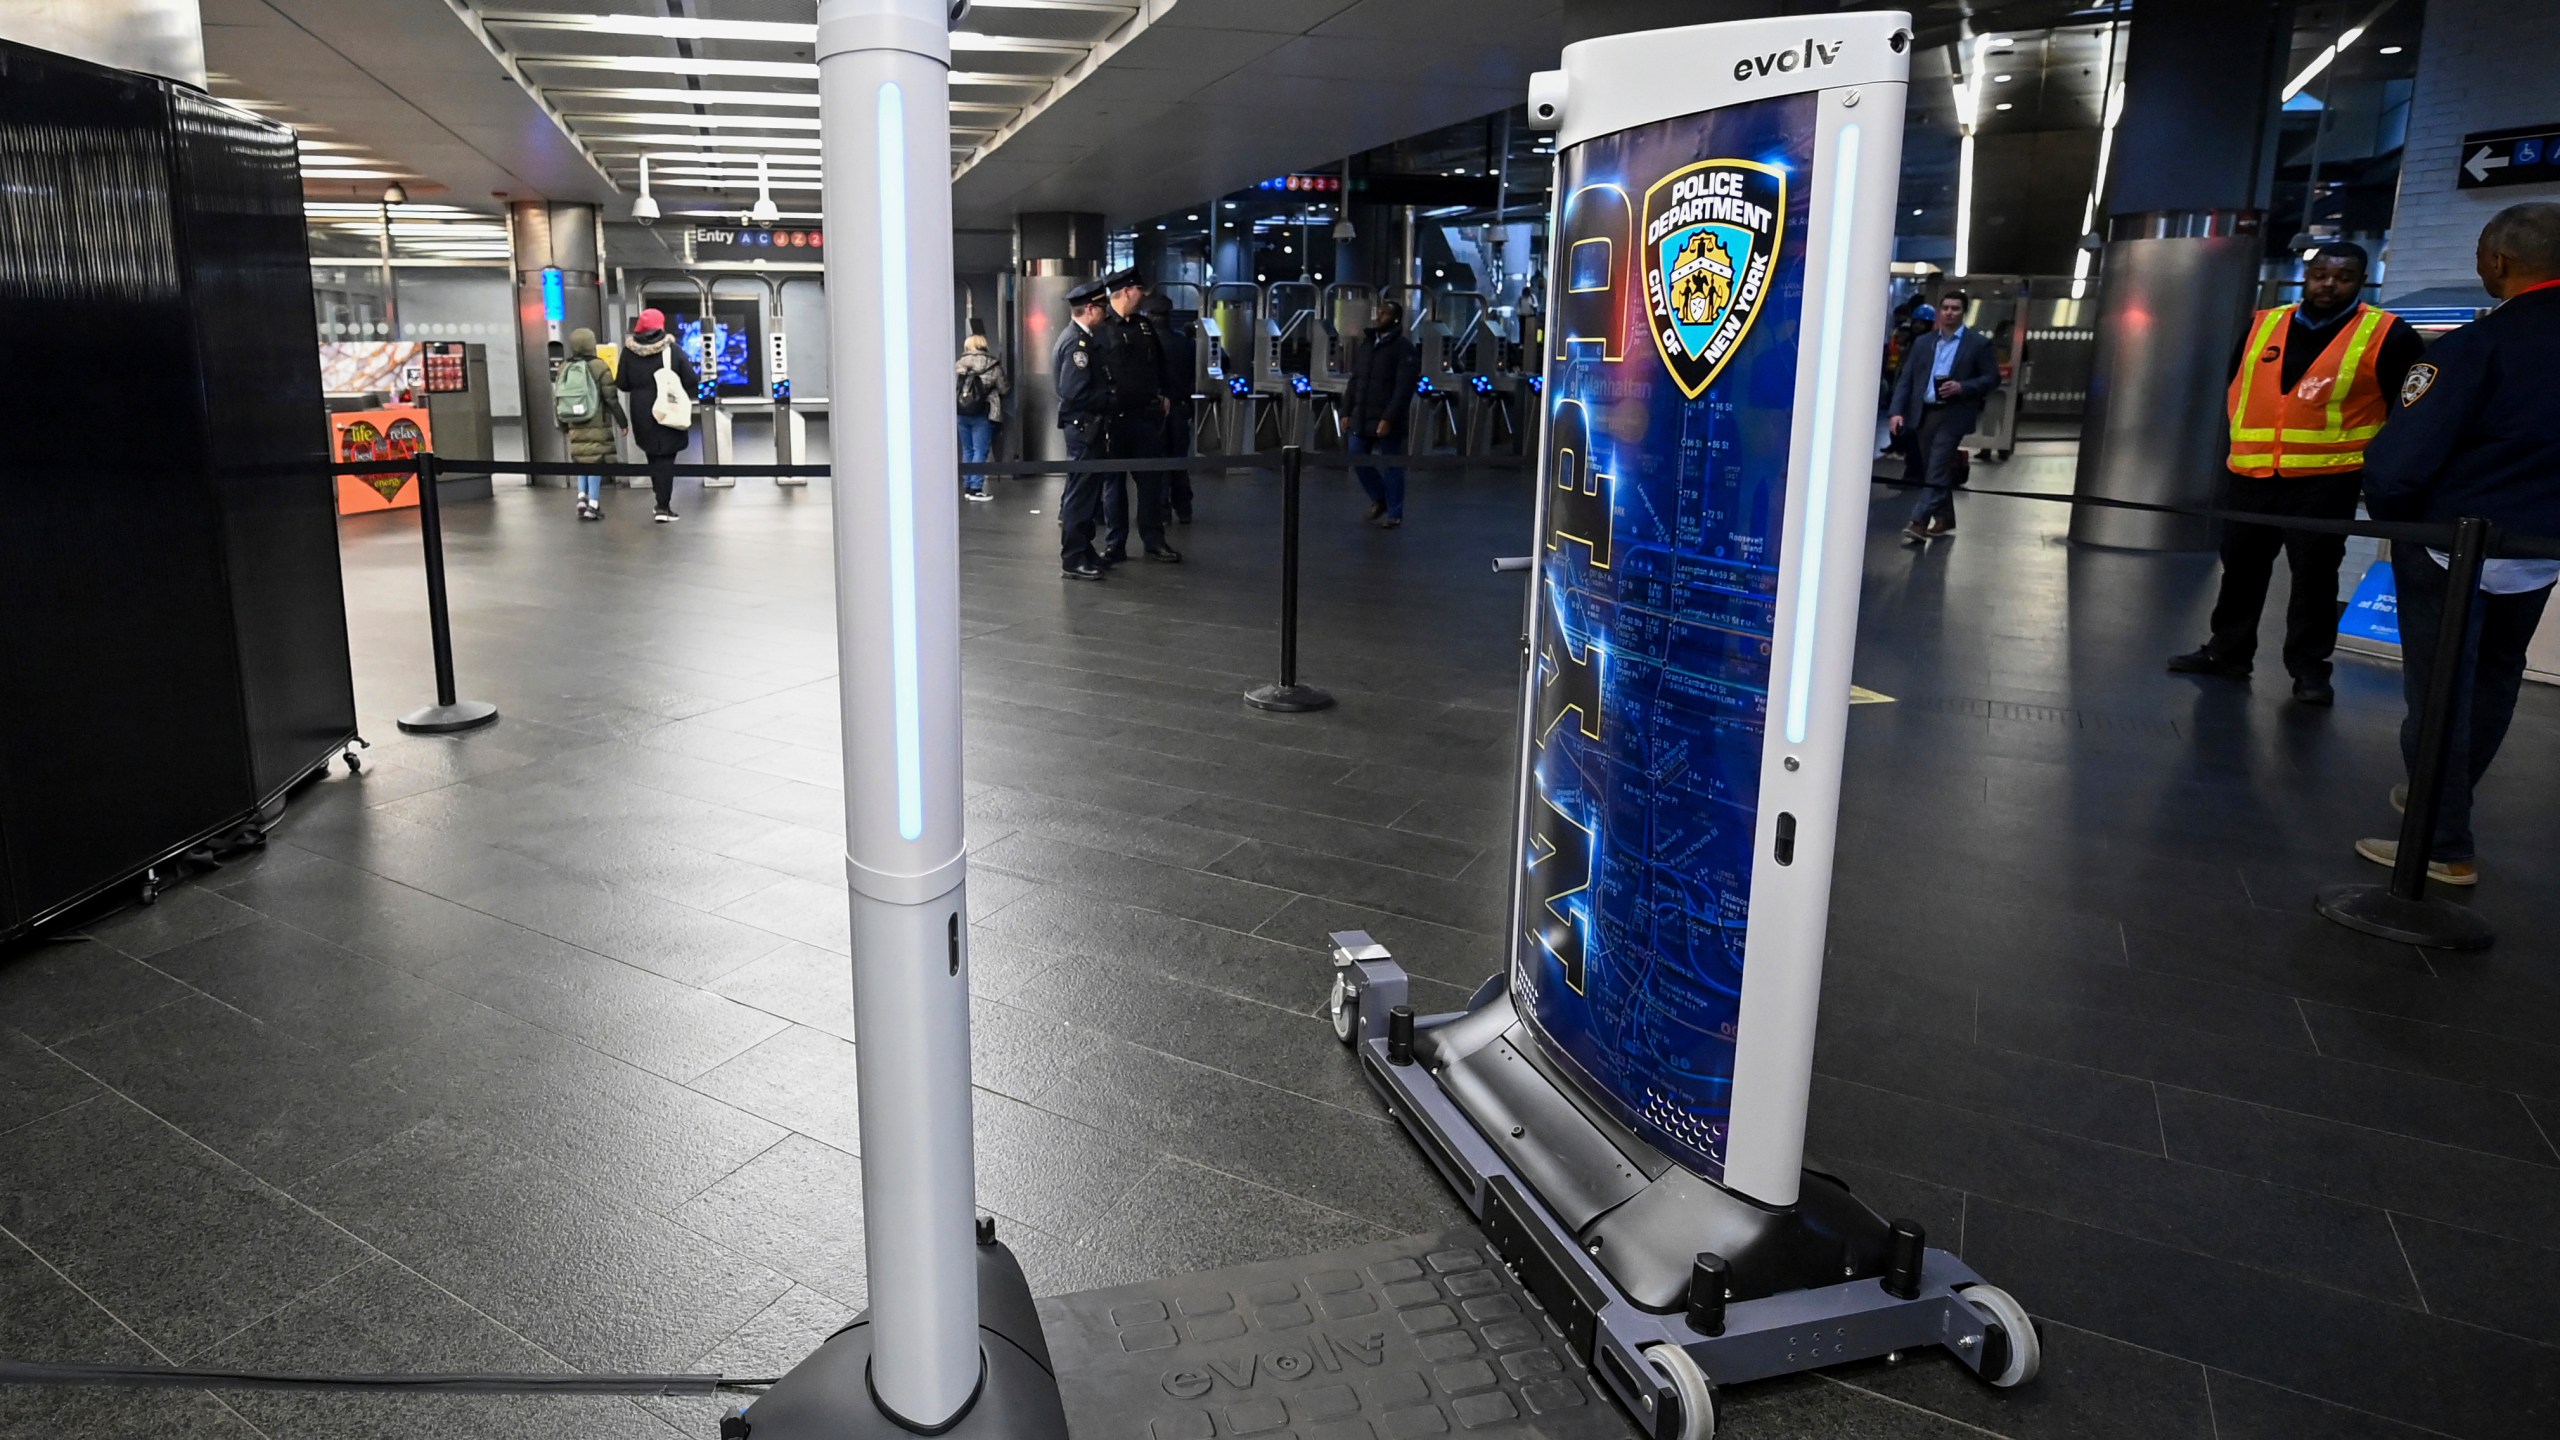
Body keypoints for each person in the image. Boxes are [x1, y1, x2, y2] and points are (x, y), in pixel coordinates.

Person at [2353, 202, 2560, 885]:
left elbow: (2401, 460)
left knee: (2439, 689)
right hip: (2539, 549)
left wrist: (2400, 520)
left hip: (2453, 545)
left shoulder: (2478, 346)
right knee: (2497, 678)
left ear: (2499, 260)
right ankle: (2441, 797)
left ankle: (2441, 843)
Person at [2167, 244, 2424, 705]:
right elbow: (2237, 383)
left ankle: (2309, 670)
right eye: (2320, 274)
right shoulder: (2265, 324)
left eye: (2342, 277)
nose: (2328, 284)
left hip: (2325, 480)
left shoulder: (2386, 333)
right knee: (2241, 570)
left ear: (2362, 281)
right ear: (2307, 275)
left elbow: (2405, 410)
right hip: (2251, 473)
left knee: (2315, 579)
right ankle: (2227, 652)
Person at [1886, 289, 2001, 541]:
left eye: (1956, 308)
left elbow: (1992, 377)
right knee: (1933, 468)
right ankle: (1946, 517)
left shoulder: (1977, 344)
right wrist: (1896, 411)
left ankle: (1919, 521)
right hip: (1924, 413)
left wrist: (1964, 387)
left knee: (1937, 465)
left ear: (1963, 312)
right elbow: (1906, 379)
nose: (1950, 312)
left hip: (1954, 413)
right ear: (1939, 311)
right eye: (1946, 307)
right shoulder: (1923, 343)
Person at [1095, 268, 1179, 563]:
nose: (1143, 295)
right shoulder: (1102, 328)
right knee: (1114, 483)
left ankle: (1153, 540)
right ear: (1127, 291)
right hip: (1114, 419)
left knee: (1150, 482)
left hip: (1144, 417)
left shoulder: (1144, 327)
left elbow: (1161, 364)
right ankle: (1115, 543)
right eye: (1139, 290)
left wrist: (1166, 393)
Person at [1053, 278, 1115, 580]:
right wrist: (1110, 398)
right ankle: (1073, 557)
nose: (1105, 312)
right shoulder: (1078, 344)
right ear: (1090, 309)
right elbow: (1074, 391)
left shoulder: (1080, 338)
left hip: (1086, 427)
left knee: (1087, 492)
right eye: (1102, 306)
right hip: (1084, 427)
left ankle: (1084, 549)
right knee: (1080, 493)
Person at [615, 307, 699, 523]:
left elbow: (622, 384)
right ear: (661, 326)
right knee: (666, 459)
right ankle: (663, 506)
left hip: (641, 410)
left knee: (652, 455)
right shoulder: (673, 350)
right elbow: (691, 379)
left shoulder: (628, 352)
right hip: (667, 407)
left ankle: (660, 500)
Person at [1343, 297, 1419, 527]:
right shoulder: (1368, 344)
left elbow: (1403, 388)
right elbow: (1356, 380)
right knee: (1356, 454)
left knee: (1392, 464)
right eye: (1380, 312)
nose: (1379, 316)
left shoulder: (1403, 348)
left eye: (1385, 313)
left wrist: (1388, 418)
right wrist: (1347, 410)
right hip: (1363, 414)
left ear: (1395, 319)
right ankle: (1380, 498)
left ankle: (1394, 513)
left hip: (1387, 417)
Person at [557, 326, 627, 521]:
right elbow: (611, 398)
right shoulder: (599, 366)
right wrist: (622, 421)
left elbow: (558, 399)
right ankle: (593, 505)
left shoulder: (564, 367)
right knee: (595, 462)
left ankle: (581, 497)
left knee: (581, 460)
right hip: (595, 421)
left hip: (573, 422)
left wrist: (563, 425)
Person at [1142, 290, 1196, 523]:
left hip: (1155, 411)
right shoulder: (1185, 343)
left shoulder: (1145, 345)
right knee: (1179, 460)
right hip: (1181, 408)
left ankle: (1161, 511)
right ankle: (1184, 508)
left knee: (1159, 462)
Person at [955, 332, 1008, 502]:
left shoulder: (958, 365)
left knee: (968, 449)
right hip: (983, 412)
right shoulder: (992, 365)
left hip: (961, 412)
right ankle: (976, 488)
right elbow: (1003, 389)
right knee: (980, 450)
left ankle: (968, 486)